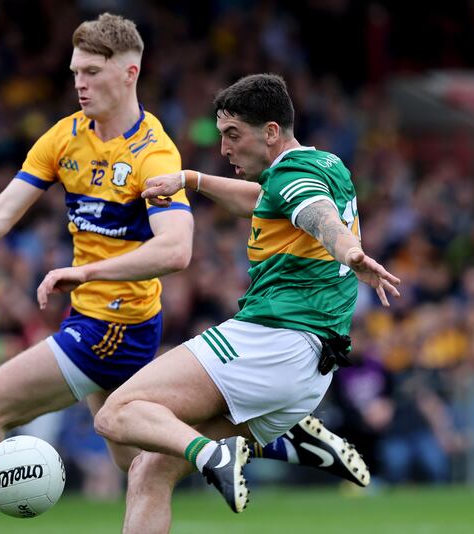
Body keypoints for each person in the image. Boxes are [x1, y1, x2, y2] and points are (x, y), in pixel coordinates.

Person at [0, 15, 367, 533]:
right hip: (93, 315)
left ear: (129, 73)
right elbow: (0, 212)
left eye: (91, 71)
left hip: (117, 322)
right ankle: (276, 438)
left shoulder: (152, 152)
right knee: (140, 462)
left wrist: (87, 273)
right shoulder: (66, 136)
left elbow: (177, 248)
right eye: (75, 72)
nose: (80, 83)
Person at [93, 74, 401, 531]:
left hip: (273, 341)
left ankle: (215, 454)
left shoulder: (293, 178)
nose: (224, 148)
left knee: (116, 414)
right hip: (309, 371)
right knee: (148, 467)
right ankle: (280, 440)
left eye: (233, 135)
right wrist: (191, 180)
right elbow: (264, 199)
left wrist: (349, 251)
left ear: (271, 132)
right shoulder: (324, 163)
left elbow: (316, 214)